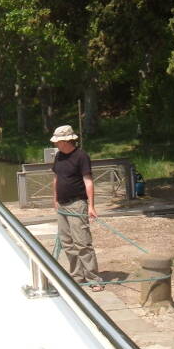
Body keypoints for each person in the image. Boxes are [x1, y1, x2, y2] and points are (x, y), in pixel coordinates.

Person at [50, 124, 104, 291]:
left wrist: (91, 206)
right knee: (67, 242)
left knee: (82, 242)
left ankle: (94, 278)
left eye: (58, 141)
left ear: (67, 140)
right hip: (62, 205)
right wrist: (55, 199)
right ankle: (77, 276)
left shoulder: (81, 156)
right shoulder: (58, 156)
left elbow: (88, 181)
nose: (56, 144)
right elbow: (56, 178)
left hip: (77, 203)